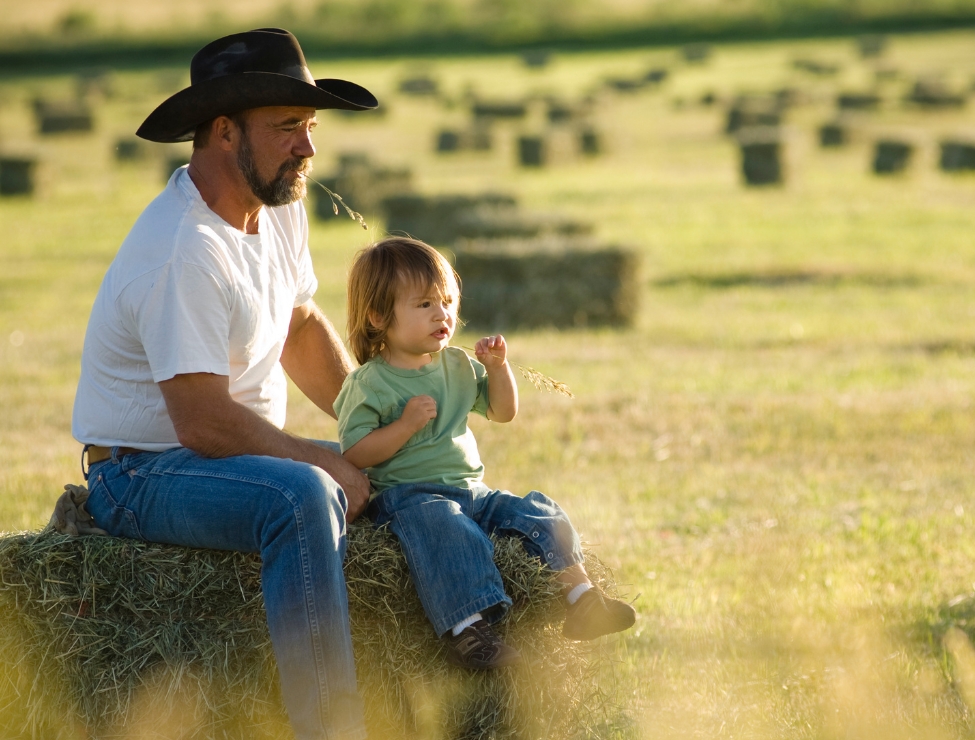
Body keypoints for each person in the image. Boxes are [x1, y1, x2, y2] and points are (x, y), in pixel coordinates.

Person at [71, 28, 378, 740]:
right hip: (143, 474)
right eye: (286, 128)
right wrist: (322, 461)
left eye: (309, 127)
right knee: (303, 494)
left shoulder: (276, 210)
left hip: (229, 458)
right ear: (221, 132)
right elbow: (204, 423)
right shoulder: (183, 251)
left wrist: (371, 427)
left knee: (385, 469)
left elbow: (298, 325)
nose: (307, 148)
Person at [333, 237, 636, 670]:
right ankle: (470, 633)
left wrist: (498, 369)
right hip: (411, 499)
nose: (443, 314)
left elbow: (503, 411)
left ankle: (582, 597)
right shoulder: (370, 383)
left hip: (473, 490)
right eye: (424, 305)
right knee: (451, 531)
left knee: (536, 511)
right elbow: (356, 454)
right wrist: (403, 426)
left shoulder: (457, 365)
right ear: (379, 316)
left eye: (448, 301)